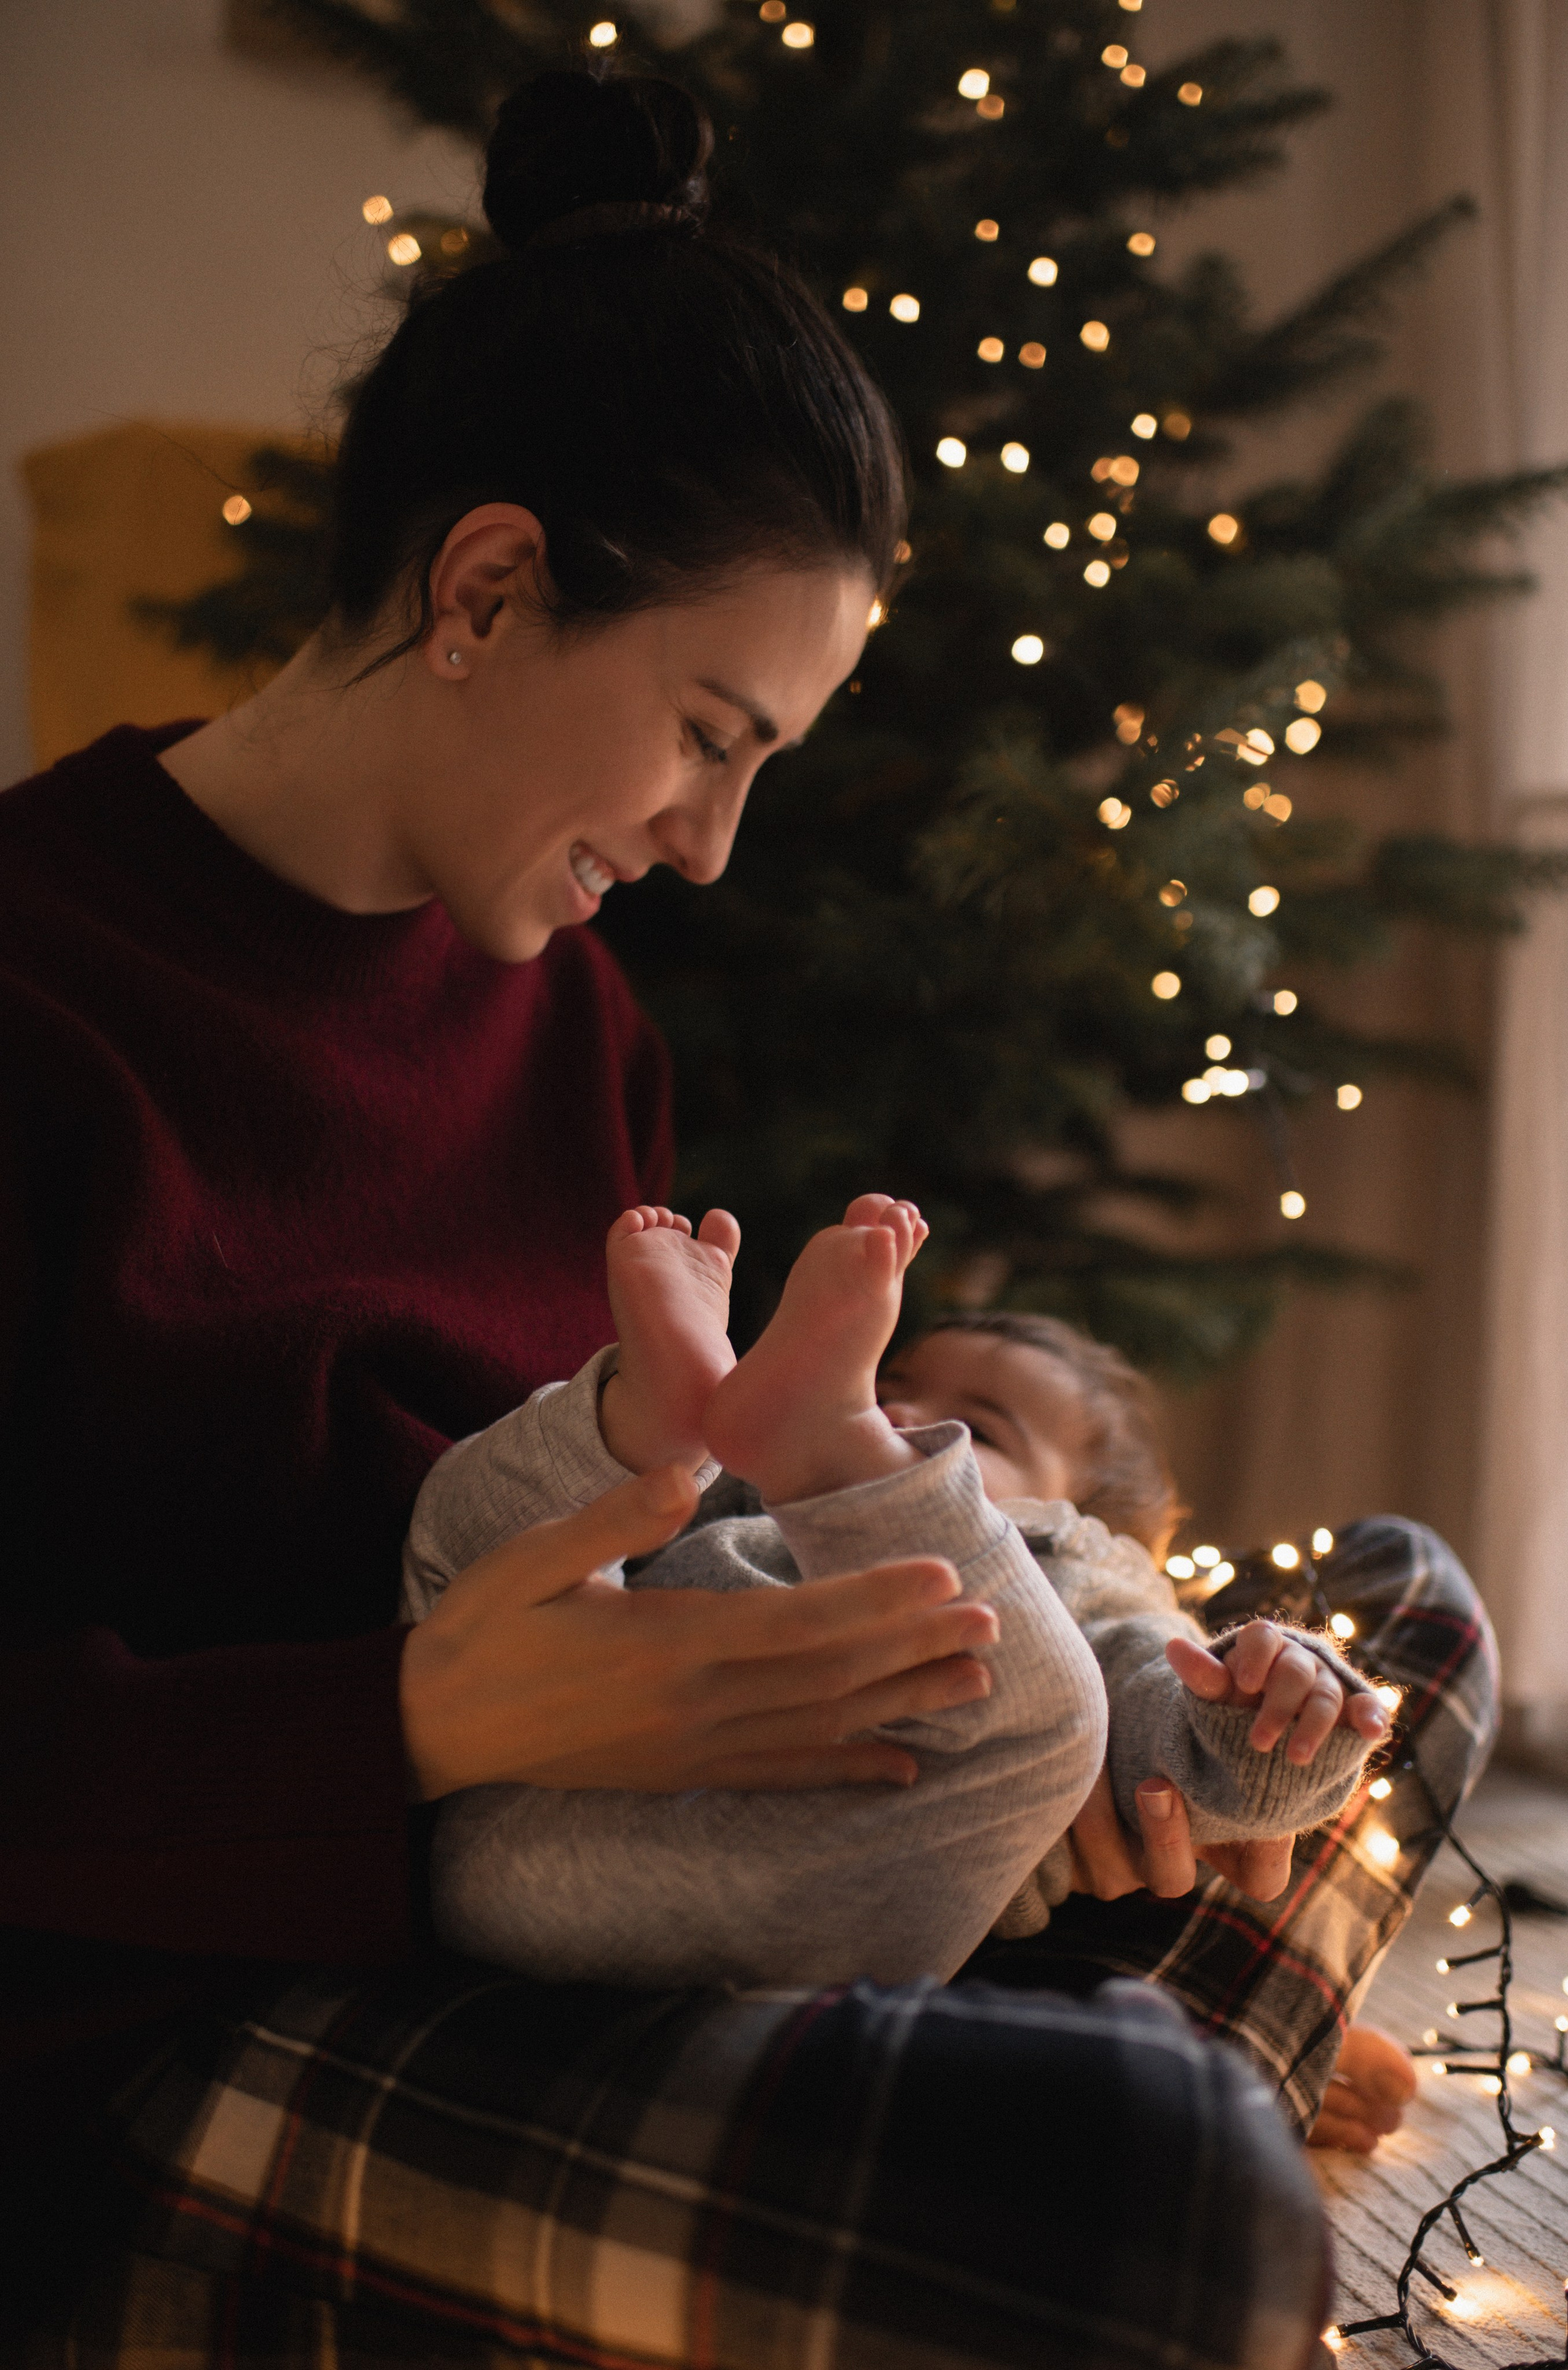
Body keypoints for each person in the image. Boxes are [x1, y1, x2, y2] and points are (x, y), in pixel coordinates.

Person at [2, 62, 1341, 2370]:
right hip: (165, 2027)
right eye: (708, 731)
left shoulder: (581, 1021)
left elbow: (672, 1507)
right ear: (490, 584)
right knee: (1168, 2181)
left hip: (599, 1909)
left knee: (1381, 1626)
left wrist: (1026, 1709)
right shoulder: (37, 989)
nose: (716, 842)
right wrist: (401, 1728)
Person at [404, 1195, 1390, 1999]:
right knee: (485, 1529)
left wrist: (1272, 1717)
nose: (908, 1415)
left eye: (980, 1431)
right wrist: (651, 1456)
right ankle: (643, 1414)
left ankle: (767, 1441)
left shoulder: (1080, 1569)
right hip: (498, 1779)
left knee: (1056, 1717)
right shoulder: (743, 1488)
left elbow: (1181, 1751)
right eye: (890, 1383)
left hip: (772, 1885)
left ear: (1089, 1524)